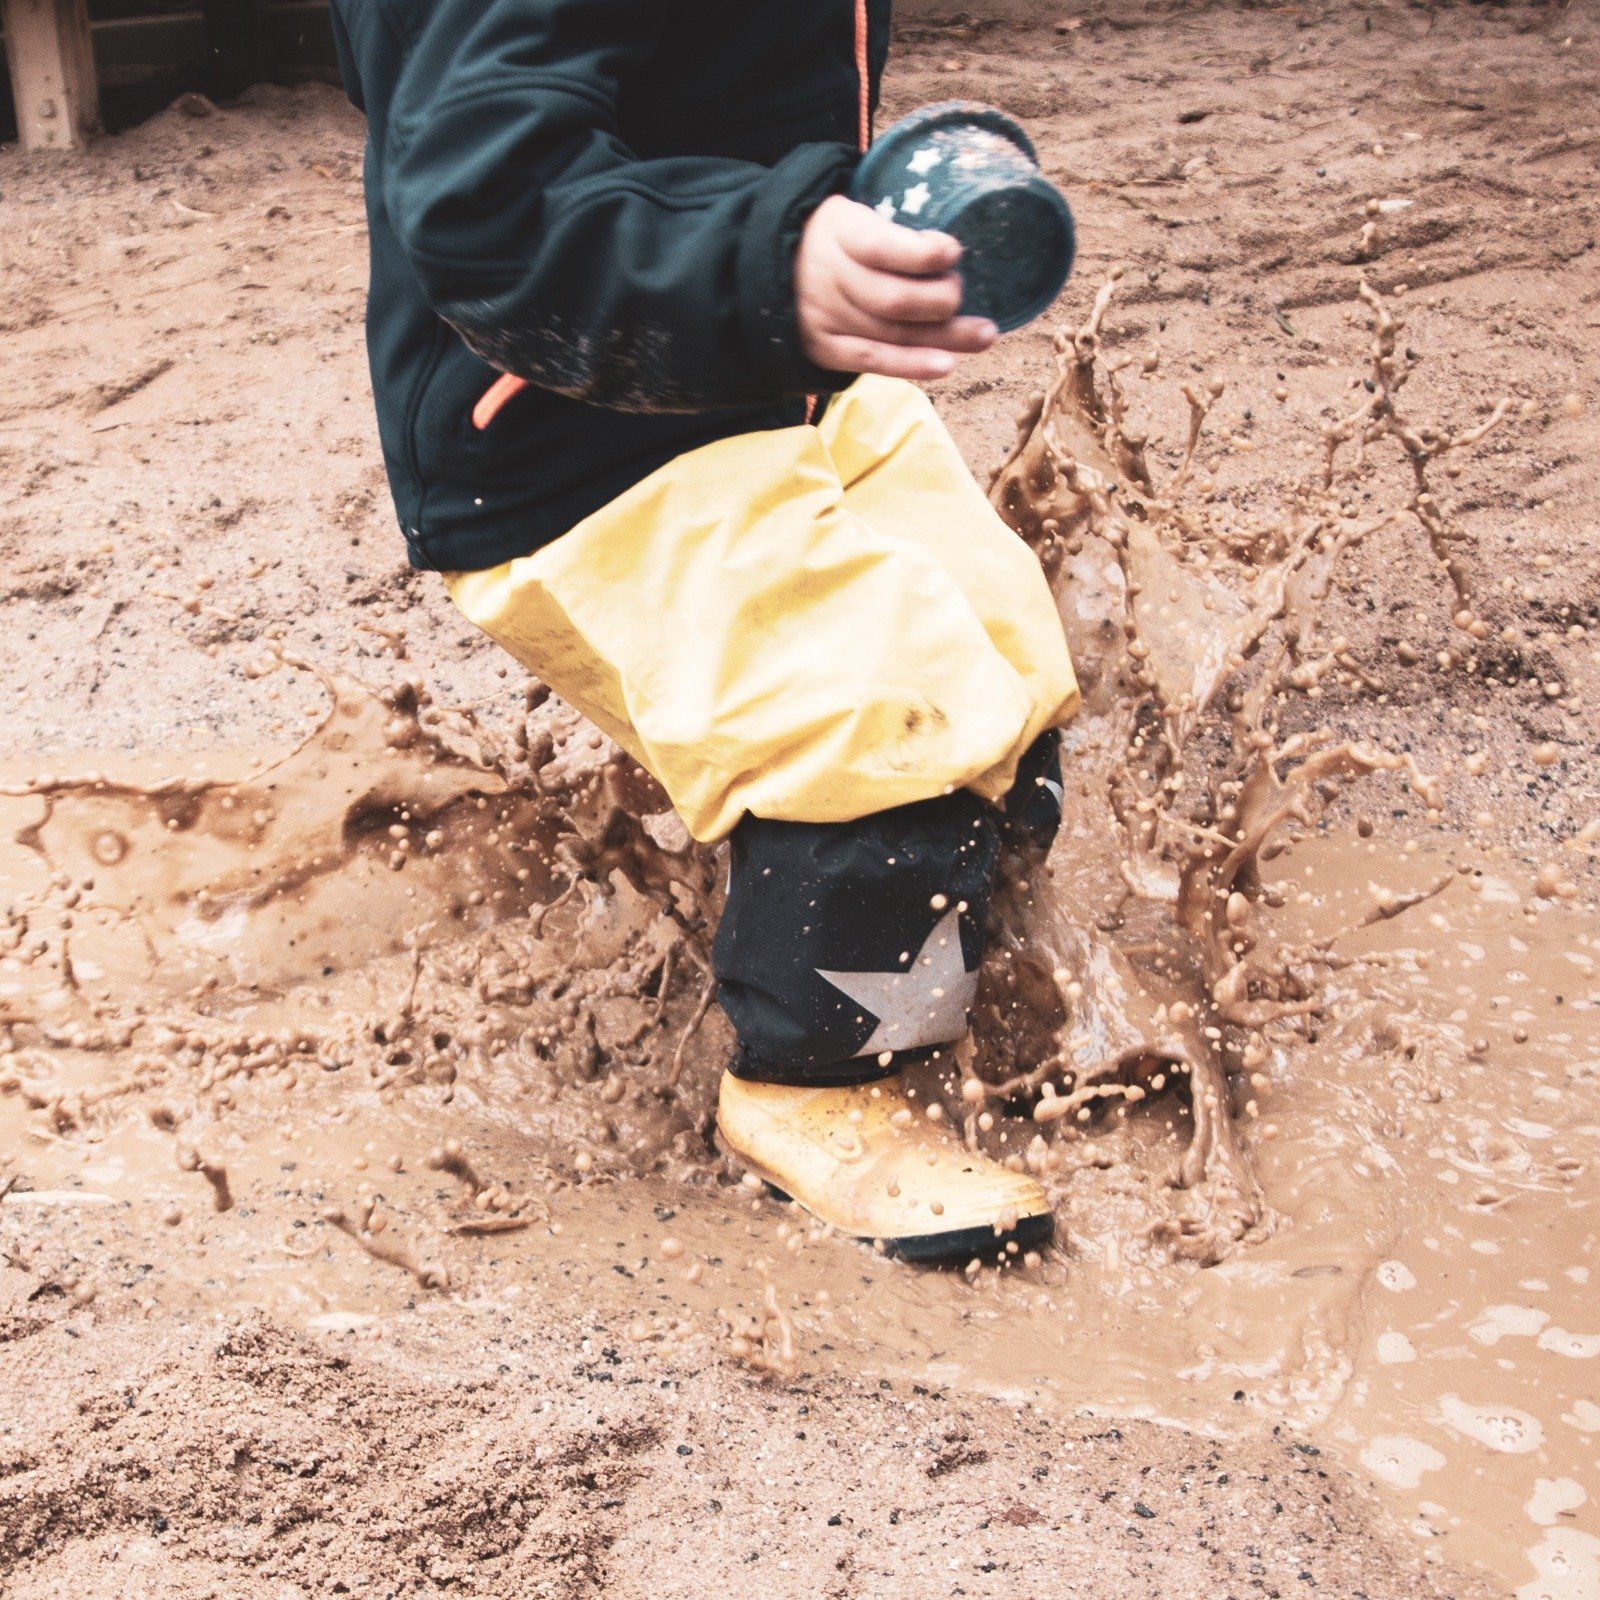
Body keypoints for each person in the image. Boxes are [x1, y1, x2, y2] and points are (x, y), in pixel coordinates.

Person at [329, 0, 1079, 1260]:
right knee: (875, 713)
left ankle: (924, 964)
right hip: (560, 426)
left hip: (760, 361)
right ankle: (819, 1092)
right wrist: (771, 260)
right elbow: (480, 200)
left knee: (1003, 652)